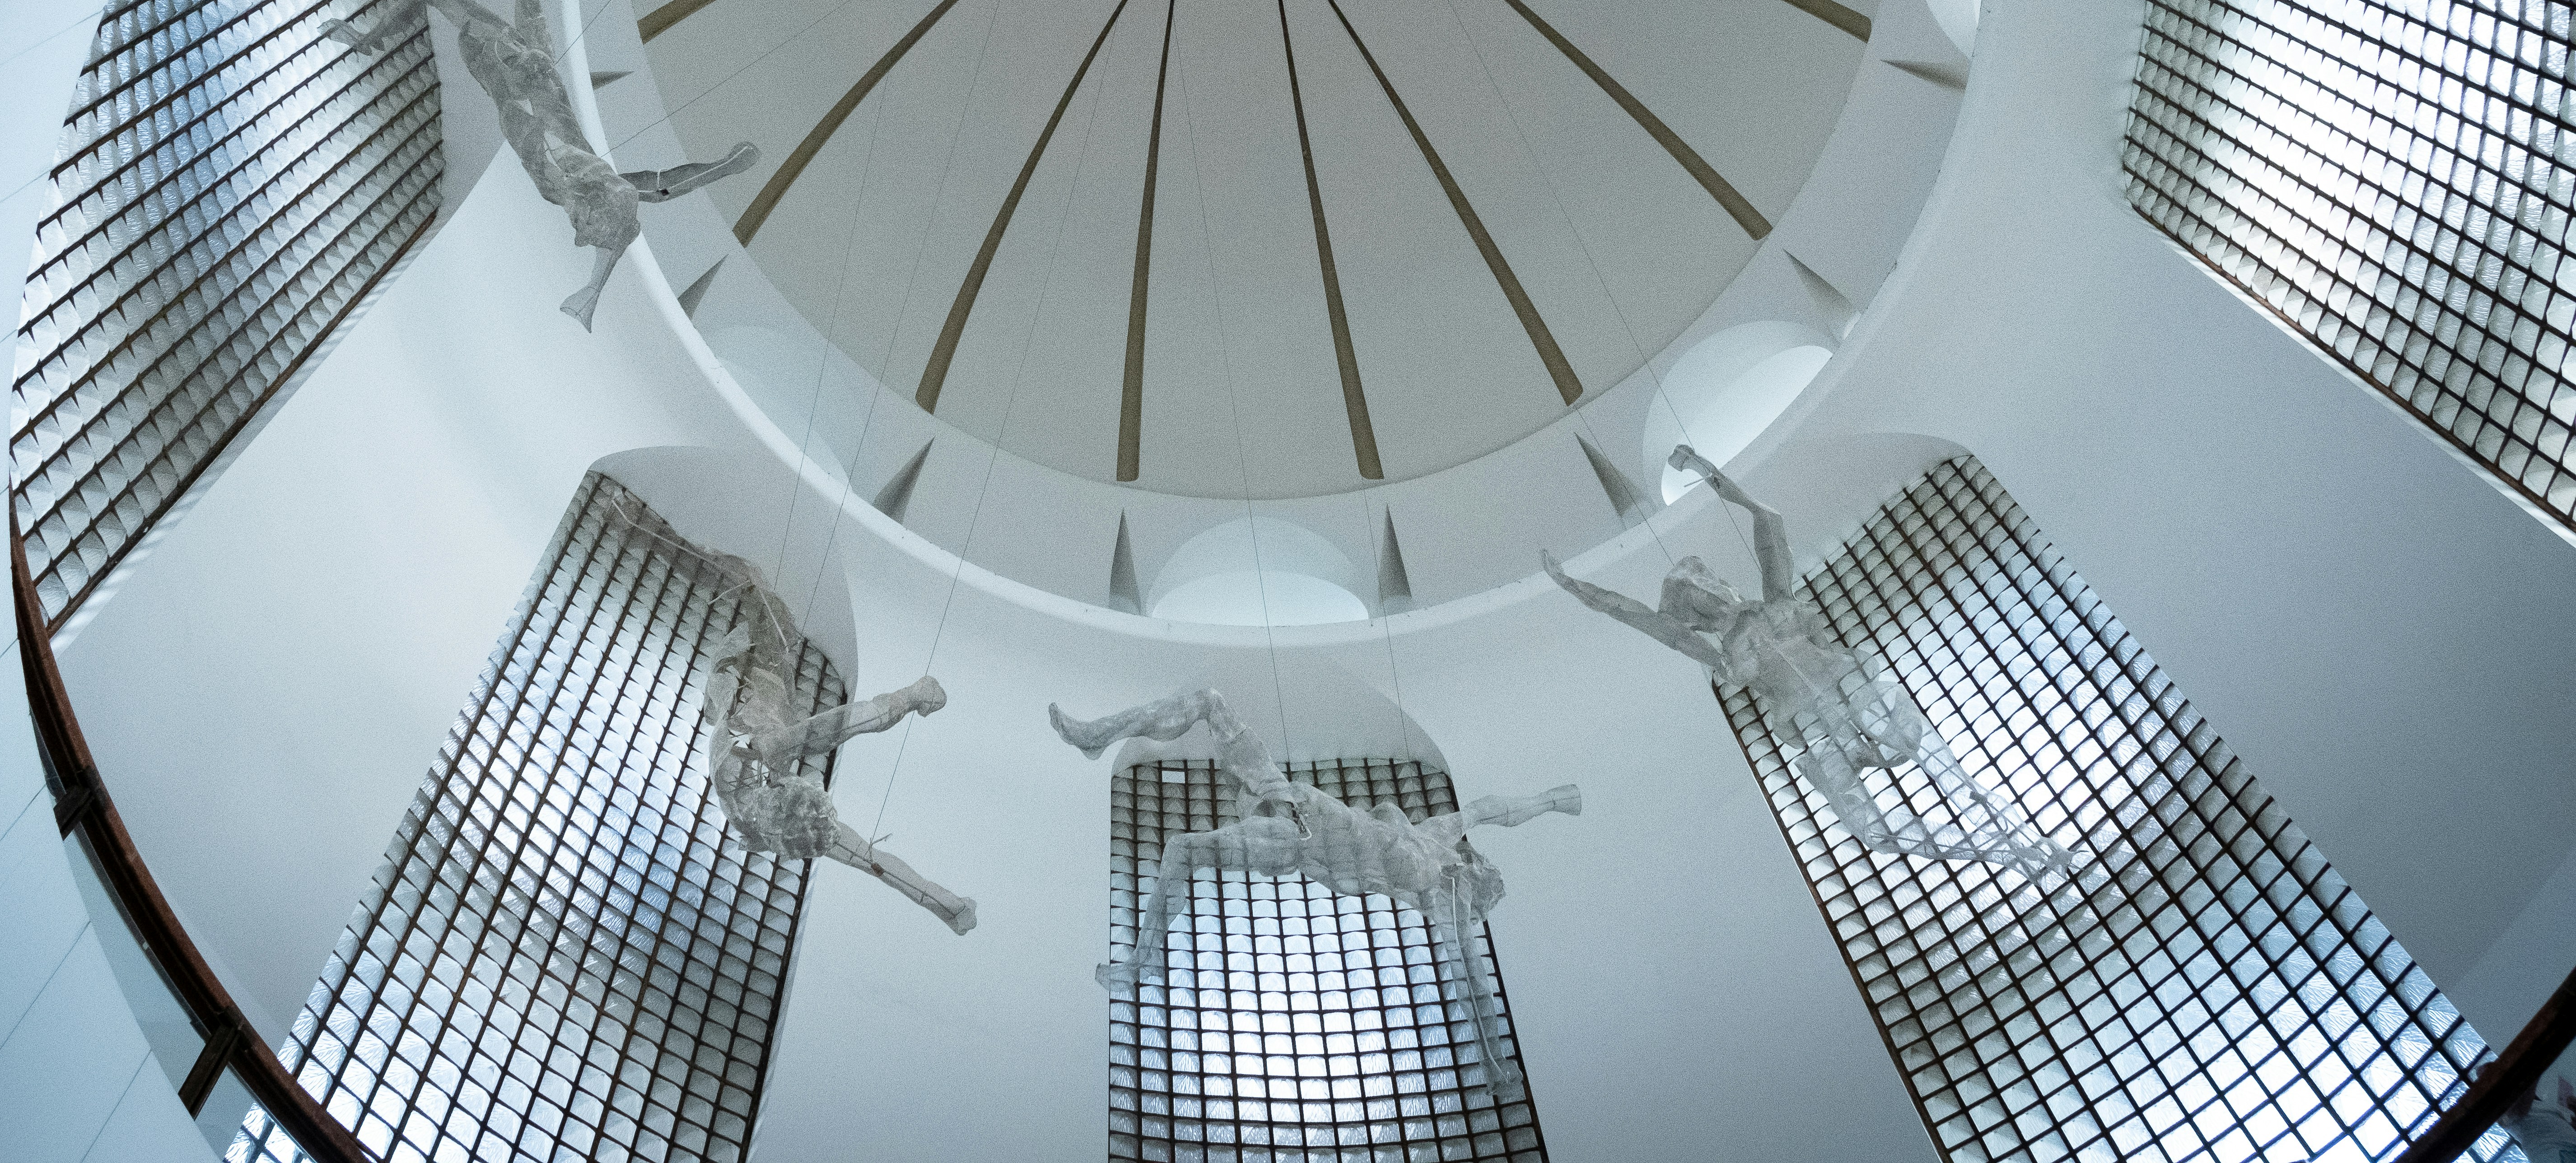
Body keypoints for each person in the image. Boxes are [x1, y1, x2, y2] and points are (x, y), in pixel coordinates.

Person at [1544, 447, 2074, 880]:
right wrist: (1574, 587)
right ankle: (1999, 853)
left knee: (1948, 770)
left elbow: (1768, 519)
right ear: (1692, 617)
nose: (1704, 599)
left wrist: (1708, 472)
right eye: (1693, 600)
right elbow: (1636, 617)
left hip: (1856, 691)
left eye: (1703, 586)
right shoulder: (1718, 655)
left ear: (1720, 583)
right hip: (1813, 728)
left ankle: (2024, 838)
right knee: (1869, 830)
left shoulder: (1778, 600)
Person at [1047, 687, 1575, 1092]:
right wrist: (1553, 799)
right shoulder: (1435, 836)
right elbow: (1489, 808)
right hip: (1286, 792)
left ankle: (1144, 959)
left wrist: (1494, 1063)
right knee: (1211, 700)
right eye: (1489, 874)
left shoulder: (1442, 898)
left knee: (1183, 850)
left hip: (1295, 837)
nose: (1481, 876)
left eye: (1486, 890)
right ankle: (1096, 737)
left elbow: (1473, 984)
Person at [321, 0, 755, 328]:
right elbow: (651, 192)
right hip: (533, 62)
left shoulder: (562, 186)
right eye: (598, 218)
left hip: (517, 67)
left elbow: (630, 213)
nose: (598, 214)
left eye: (590, 222)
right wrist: (719, 169)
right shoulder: (592, 185)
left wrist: (595, 282)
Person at [689, 554, 976, 936]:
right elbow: (869, 859)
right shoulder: (773, 802)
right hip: (753, 704)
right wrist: (945, 905)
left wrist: (909, 697)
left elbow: (840, 726)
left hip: (751, 705)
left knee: (769, 609)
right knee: (771, 617)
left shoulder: (758, 754)